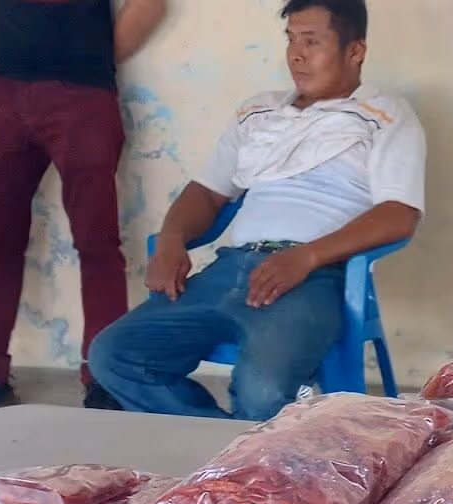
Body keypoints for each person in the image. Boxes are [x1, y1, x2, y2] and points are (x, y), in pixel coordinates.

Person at [87, 0, 426, 420]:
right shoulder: (258, 112)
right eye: (290, 40)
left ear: (354, 51)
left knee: (262, 389)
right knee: (113, 355)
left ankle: (239, 462)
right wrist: (172, 239)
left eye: (312, 41)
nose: (296, 54)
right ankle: (223, 453)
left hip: (311, 278)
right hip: (227, 269)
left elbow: (399, 212)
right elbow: (207, 192)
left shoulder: (384, 114)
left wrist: (305, 256)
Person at [0, 0, 167, 433]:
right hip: (2, 90)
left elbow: (149, 5)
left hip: (81, 96)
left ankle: (103, 377)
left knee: (97, 243)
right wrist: (19, 48)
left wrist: (84, 58)